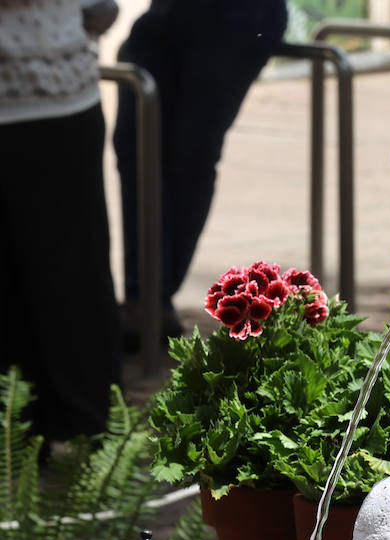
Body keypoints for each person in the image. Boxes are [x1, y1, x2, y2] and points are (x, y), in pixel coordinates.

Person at [113, 0, 288, 347]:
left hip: (237, 15)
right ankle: (145, 299)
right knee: (136, 143)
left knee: (189, 154)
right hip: (168, 12)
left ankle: (149, 300)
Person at [0, 0, 123, 441]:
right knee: (71, 277)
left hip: (51, 100)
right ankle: (64, 435)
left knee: (70, 280)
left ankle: (78, 440)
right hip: (60, 95)